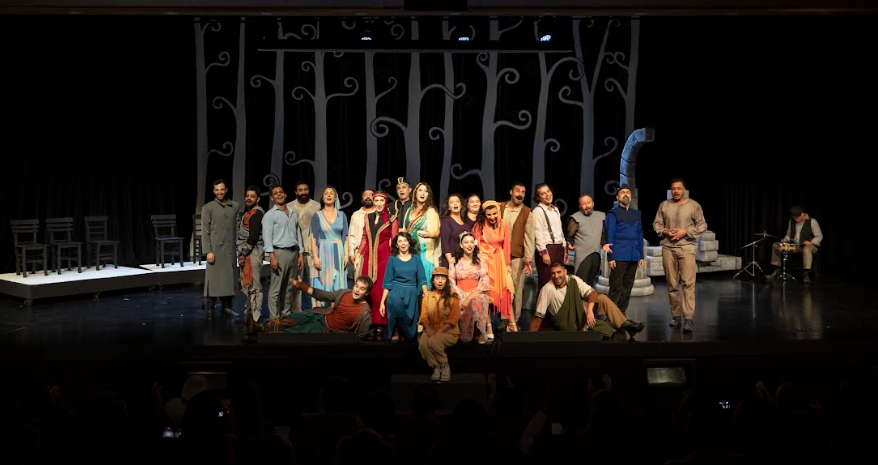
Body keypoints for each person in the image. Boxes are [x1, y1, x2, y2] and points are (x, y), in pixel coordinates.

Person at [529, 263, 645, 338]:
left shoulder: (573, 280)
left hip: (580, 313)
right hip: (568, 323)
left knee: (602, 298)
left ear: (565, 272)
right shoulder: (547, 289)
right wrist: (529, 340)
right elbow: (538, 317)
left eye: (559, 272)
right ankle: (625, 325)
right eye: (553, 273)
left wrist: (589, 311)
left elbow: (592, 293)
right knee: (604, 330)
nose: (556, 276)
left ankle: (626, 325)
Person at [652, 178, 707, 333]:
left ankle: (688, 318)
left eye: (679, 188)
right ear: (671, 190)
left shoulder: (693, 205)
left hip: (686, 247)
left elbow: (702, 224)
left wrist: (686, 232)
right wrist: (665, 231)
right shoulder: (664, 205)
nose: (676, 191)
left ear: (684, 190)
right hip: (668, 248)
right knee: (672, 283)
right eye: (673, 189)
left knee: (688, 283)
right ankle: (676, 316)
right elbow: (657, 224)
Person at [472, 200, 516, 332]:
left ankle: (512, 324)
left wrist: (507, 264)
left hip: (500, 261)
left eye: (494, 214)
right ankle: (488, 327)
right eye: (489, 214)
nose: (492, 217)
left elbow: (506, 245)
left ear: (498, 212)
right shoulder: (479, 226)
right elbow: (475, 247)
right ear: (484, 214)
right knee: (486, 294)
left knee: (505, 292)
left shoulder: (504, 224)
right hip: (485, 263)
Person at [359, 192, 399, 340]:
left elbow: (395, 240)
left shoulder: (391, 219)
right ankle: (370, 322)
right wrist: (358, 254)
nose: (379, 203)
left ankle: (382, 323)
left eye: (381, 200)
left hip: (384, 259)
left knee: (381, 290)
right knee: (369, 290)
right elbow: (364, 238)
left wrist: (395, 260)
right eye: (376, 200)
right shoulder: (367, 217)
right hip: (369, 258)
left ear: (385, 202)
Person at [282, 276, 374, 340]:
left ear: (366, 293)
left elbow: (361, 337)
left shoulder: (365, 313)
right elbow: (323, 295)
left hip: (325, 330)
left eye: (362, 289)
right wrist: (303, 286)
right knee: (288, 319)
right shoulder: (345, 293)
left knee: (292, 332)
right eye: (356, 286)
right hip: (319, 315)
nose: (357, 290)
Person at [202, 178, 242, 320]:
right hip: (215, 250)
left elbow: (238, 227)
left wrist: (239, 247)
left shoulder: (234, 206)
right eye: (217, 190)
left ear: (226, 190)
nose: (219, 192)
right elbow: (205, 231)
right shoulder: (208, 207)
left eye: (222, 189)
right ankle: (209, 309)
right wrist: (208, 251)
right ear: (214, 191)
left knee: (229, 280)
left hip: (230, 249)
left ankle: (227, 308)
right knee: (213, 280)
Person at [262, 186, 305, 319]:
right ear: (272, 198)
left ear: (285, 195)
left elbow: (298, 233)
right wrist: (272, 257)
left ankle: (285, 315)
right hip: (279, 253)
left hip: (293, 253)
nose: (279, 194)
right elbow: (267, 238)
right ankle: (274, 318)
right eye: (276, 193)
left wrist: (301, 253)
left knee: (289, 288)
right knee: (276, 289)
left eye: (281, 192)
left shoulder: (292, 212)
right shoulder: (269, 215)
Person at [380, 232, 428, 343]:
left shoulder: (416, 259)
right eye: (400, 241)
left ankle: (404, 332)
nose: (403, 243)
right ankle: (395, 330)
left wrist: (426, 294)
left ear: (409, 243)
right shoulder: (392, 259)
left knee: (410, 335)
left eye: (405, 241)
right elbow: (387, 282)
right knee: (395, 302)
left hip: (411, 292)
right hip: (396, 290)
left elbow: (422, 279)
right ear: (396, 245)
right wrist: (382, 302)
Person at [603, 185, 645, 313]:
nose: (626, 194)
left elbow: (639, 235)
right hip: (619, 255)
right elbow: (609, 236)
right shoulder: (613, 213)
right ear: (617, 197)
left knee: (628, 287)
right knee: (616, 287)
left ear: (631, 197)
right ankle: (611, 315)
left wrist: (641, 256)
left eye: (628, 192)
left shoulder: (636, 214)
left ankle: (621, 314)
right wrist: (611, 257)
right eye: (622, 192)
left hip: (633, 255)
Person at [500, 182, 535, 328]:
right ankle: (503, 320)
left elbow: (529, 237)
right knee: (502, 289)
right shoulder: (500, 207)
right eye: (517, 191)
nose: (520, 194)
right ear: (511, 192)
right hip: (499, 256)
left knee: (515, 289)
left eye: (523, 192)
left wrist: (528, 259)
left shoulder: (527, 212)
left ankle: (514, 321)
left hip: (517, 256)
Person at [449, 231, 493, 344]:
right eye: (466, 242)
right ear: (461, 245)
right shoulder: (454, 261)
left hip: (476, 293)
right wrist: (459, 295)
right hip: (459, 292)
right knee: (465, 338)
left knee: (479, 300)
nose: (469, 245)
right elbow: (451, 282)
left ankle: (480, 332)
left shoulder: (480, 260)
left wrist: (469, 297)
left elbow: (484, 282)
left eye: (471, 242)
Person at [418, 267, 460, 382]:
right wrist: (428, 329)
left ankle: (444, 365)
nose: (440, 281)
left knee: (433, 341)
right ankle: (435, 367)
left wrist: (438, 332)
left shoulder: (453, 297)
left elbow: (453, 318)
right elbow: (423, 317)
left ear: (446, 280)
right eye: (437, 278)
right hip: (431, 330)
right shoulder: (427, 297)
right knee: (422, 343)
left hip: (449, 332)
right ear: (433, 280)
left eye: (443, 278)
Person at [310, 187, 349, 303]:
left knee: (337, 285)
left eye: (331, 193)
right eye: (326, 193)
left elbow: (346, 236)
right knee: (322, 283)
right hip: (323, 252)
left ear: (335, 197)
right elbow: (312, 237)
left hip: (338, 252)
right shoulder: (317, 215)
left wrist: (346, 254)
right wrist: (315, 257)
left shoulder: (342, 215)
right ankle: (319, 311)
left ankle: (334, 312)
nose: (329, 195)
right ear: (322, 198)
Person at [768, 206, 823, 283]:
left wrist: (811, 242)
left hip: (810, 246)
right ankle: (777, 270)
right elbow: (788, 235)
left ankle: (806, 273)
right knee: (776, 245)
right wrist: (785, 239)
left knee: (806, 248)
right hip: (795, 246)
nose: (796, 220)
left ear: (802, 214)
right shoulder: (792, 221)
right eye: (794, 218)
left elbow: (819, 236)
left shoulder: (812, 221)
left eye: (797, 218)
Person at [237, 186, 265, 335]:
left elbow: (253, 237)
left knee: (255, 286)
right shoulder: (248, 213)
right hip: (247, 253)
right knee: (249, 286)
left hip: (253, 253)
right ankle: (249, 318)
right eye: (247, 195)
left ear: (258, 199)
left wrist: (243, 252)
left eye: (252, 196)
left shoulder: (256, 213)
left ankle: (256, 319)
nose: (248, 198)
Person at [289, 181, 321, 309]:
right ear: (296, 192)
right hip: (296, 252)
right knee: (296, 284)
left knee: (315, 283)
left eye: (305, 189)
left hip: (313, 251)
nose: (303, 192)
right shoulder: (289, 207)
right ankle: (296, 312)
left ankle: (317, 309)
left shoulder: (317, 206)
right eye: (300, 190)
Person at [402, 182, 441, 280]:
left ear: (428, 195)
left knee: (423, 279)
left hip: (424, 250)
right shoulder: (409, 210)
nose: (423, 193)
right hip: (409, 249)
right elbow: (404, 230)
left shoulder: (430, 211)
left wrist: (430, 234)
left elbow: (437, 232)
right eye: (420, 190)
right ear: (415, 193)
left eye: (426, 191)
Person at [533, 183, 568, 290]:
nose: (547, 195)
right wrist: (543, 253)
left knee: (559, 282)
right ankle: (542, 302)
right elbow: (537, 233)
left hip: (558, 248)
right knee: (546, 283)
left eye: (548, 191)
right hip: (548, 249)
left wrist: (564, 249)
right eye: (543, 193)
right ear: (538, 197)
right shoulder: (538, 211)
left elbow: (560, 231)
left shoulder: (555, 209)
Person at [566, 194, 605, 287]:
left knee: (591, 283)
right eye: (584, 204)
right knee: (580, 283)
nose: (587, 206)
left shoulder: (601, 216)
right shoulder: (575, 218)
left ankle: (589, 297)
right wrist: (569, 244)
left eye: (588, 203)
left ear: (593, 203)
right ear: (580, 206)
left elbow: (603, 234)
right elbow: (569, 235)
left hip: (596, 255)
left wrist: (605, 244)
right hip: (582, 257)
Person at [347, 189, 375, 285]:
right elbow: (351, 235)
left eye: (371, 194)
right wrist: (351, 253)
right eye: (365, 195)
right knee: (359, 281)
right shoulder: (356, 215)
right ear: (362, 198)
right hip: (359, 252)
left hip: (375, 252)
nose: (368, 197)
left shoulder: (379, 213)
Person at [439, 193, 474, 268]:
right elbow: (445, 243)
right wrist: (450, 261)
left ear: (461, 205)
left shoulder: (466, 225)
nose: (455, 203)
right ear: (449, 207)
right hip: (452, 262)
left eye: (457, 201)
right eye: (452, 202)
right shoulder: (447, 222)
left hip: (465, 262)